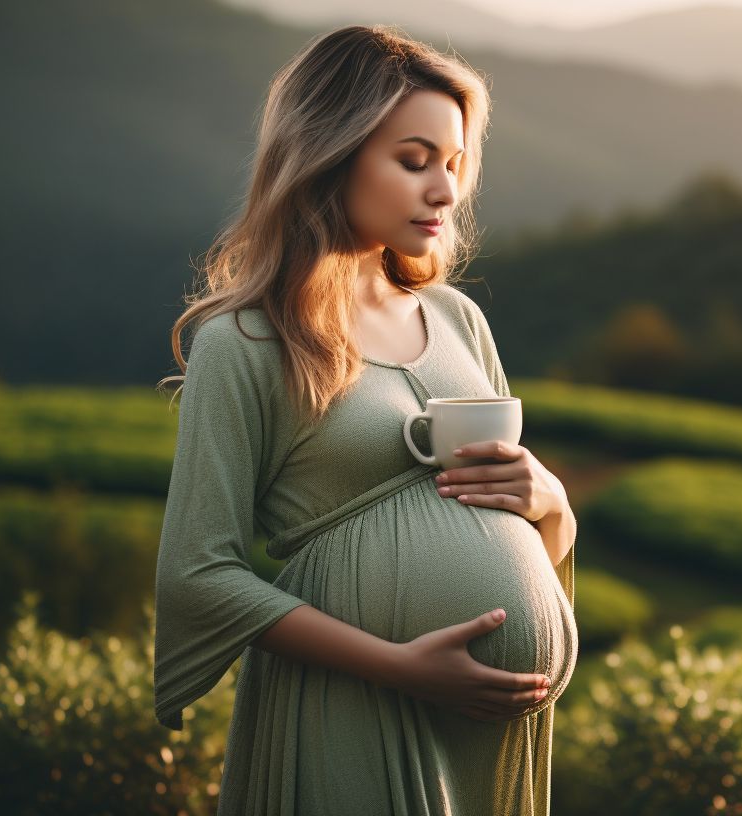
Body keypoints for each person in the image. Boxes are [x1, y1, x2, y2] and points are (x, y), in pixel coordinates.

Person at [151, 24, 578, 815]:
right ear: (328, 153)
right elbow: (198, 574)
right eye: (414, 162)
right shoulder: (244, 342)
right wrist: (396, 665)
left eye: (453, 165)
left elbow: (535, 545)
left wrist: (550, 501)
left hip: (486, 733)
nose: (445, 193)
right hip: (348, 706)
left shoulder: (457, 321)